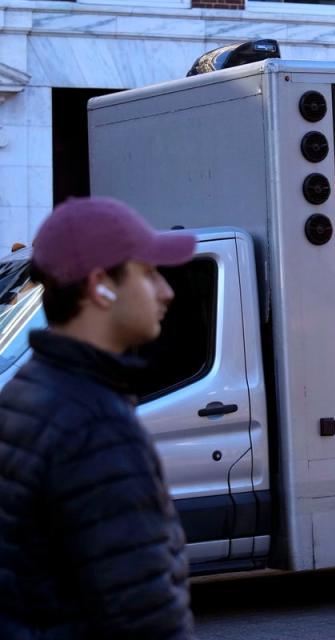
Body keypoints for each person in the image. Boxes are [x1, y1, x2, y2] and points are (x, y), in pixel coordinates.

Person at [0, 197, 197, 639]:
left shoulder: (28, 391)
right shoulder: (96, 426)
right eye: (148, 274)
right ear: (100, 286)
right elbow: (144, 614)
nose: (166, 291)